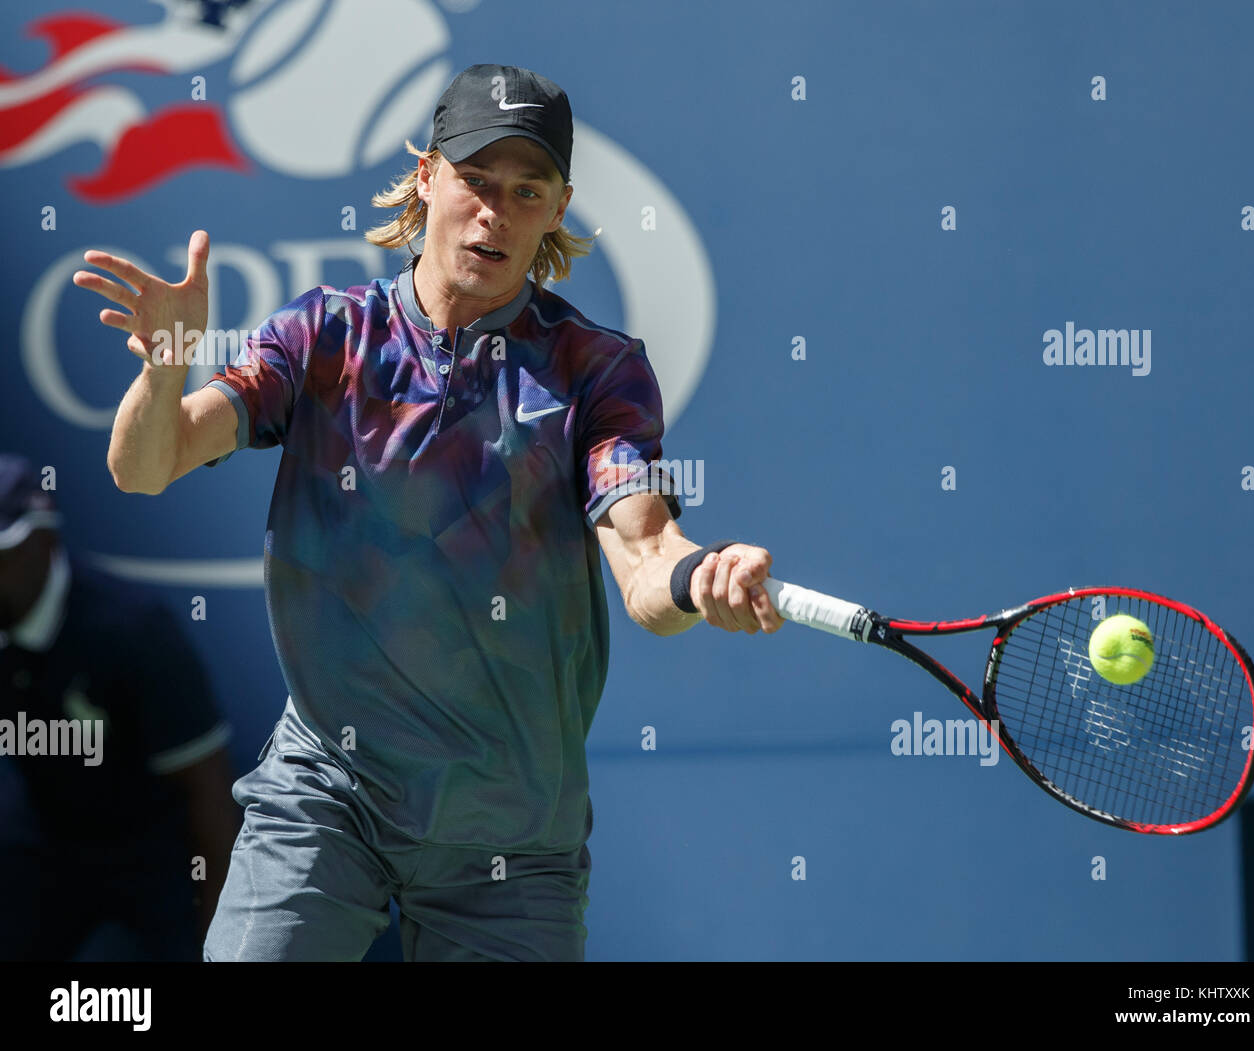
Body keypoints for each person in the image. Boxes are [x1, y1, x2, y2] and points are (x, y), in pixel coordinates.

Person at [78, 64, 782, 962]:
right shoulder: (324, 336)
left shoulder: (596, 370)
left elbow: (645, 560)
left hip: (512, 837)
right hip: (330, 795)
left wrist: (696, 576)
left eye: (525, 192)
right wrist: (166, 364)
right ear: (426, 177)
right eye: (476, 181)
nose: (494, 212)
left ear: (558, 208)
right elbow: (149, 464)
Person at [0, 454, 240, 960]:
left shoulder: (134, 630)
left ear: (44, 540)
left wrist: (218, 946)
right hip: (41, 840)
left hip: (154, 858)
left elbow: (208, 797)